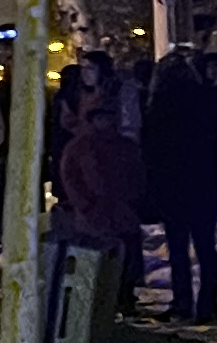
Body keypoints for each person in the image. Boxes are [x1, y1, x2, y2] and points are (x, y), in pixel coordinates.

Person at [138, 47, 217, 322]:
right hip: (204, 180)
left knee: (178, 247)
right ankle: (208, 305)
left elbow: (150, 151)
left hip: (172, 184)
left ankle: (182, 303)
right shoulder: (205, 104)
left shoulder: (158, 109)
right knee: (205, 246)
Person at [51, 55, 148, 257]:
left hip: (120, 198)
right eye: (83, 69)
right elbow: (70, 174)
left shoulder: (120, 93)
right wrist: (84, 203)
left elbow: (136, 168)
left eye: (90, 68)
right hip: (93, 204)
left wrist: (134, 196)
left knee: (125, 251)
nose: (86, 74)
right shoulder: (79, 143)